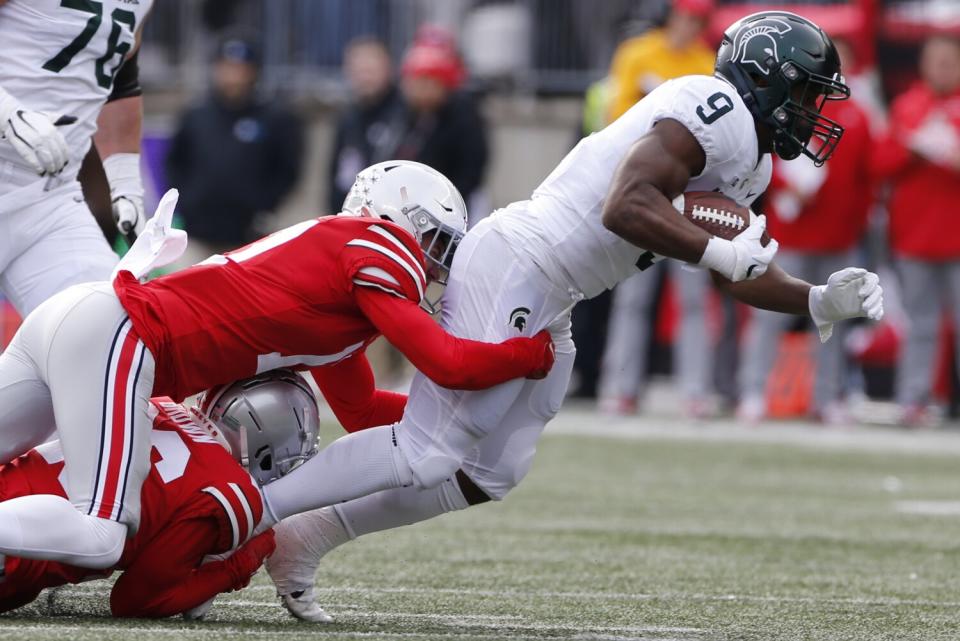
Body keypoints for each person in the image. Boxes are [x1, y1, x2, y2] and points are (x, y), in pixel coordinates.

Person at [260, 11, 884, 621]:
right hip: (521, 261)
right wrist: (720, 248)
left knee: (490, 471)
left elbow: (737, 269)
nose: (811, 109)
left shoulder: (753, 160)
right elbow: (627, 204)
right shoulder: (711, 108)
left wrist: (814, 299)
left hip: (555, 289)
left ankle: (306, 537)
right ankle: (253, 511)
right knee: (428, 452)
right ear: (765, 77)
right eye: (804, 90)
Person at [0, 161, 555, 578]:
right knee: (100, 533)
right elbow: (447, 362)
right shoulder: (378, 243)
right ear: (395, 217)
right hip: (122, 336)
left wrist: (458, 422)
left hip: (86, 319)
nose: (434, 264)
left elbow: (363, 414)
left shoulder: (336, 297)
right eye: (433, 240)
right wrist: (528, 355)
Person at [0, 368, 322, 618]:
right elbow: (137, 600)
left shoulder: (157, 403)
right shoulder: (227, 490)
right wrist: (241, 563)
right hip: (13, 559)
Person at [737, 44, 876, 425]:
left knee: (834, 320)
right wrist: (786, 189)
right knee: (769, 316)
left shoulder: (860, 116)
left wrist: (855, 223)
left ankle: (826, 396)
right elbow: (767, 158)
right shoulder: (792, 106)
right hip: (792, 235)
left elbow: (869, 175)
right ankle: (753, 392)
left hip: (837, 236)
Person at [597, 0, 719, 416]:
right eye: (688, 17)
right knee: (633, 297)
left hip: (689, 196)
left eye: (700, 20)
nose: (692, 26)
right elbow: (615, 118)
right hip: (643, 193)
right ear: (672, 16)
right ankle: (621, 387)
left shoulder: (707, 62)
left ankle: (695, 391)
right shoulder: (637, 52)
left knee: (693, 300)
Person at [0, 0, 152, 317]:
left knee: (102, 328)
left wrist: (125, 184)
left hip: (49, 200)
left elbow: (120, 79)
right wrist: (5, 112)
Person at [872, 34, 960, 427]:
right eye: (936, 60)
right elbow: (880, 164)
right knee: (921, 324)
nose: (942, 68)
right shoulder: (909, 106)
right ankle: (914, 400)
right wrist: (914, 146)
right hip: (915, 237)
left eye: (949, 61)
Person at [165, 35, 304, 264]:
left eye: (240, 68)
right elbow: (174, 162)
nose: (233, 75)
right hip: (197, 234)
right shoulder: (196, 115)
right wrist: (187, 202)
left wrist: (264, 205)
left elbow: (288, 169)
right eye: (227, 67)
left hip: (249, 237)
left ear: (254, 71)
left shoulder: (274, 117)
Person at [393, 25, 489, 223]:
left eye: (427, 81)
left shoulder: (464, 116)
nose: (418, 89)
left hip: (455, 209)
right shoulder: (403, 116)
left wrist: (438, 206)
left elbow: (470, 173)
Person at [328, 37, 405, 214]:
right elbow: (335, 172)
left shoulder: (404, 113)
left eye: (370, 70)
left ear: (387, 69)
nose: (364, 78)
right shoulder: (349, 117)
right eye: (358, 71)